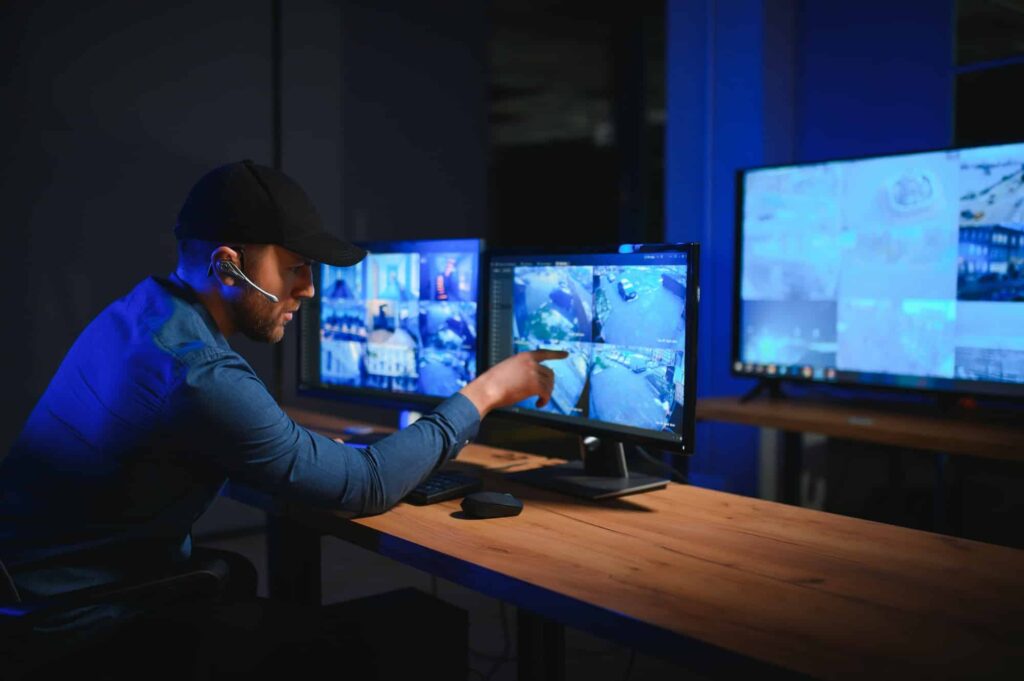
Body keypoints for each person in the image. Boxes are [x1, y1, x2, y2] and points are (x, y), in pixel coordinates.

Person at [0, 160, 566, 679]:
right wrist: (488, 390)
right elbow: (367, 485)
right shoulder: (198, 375)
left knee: (239, 577)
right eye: (294, 267)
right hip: (76, 629)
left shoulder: (140, 314)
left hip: (33, 597)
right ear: (228, 265)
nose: (309, 288)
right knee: (407, 634)